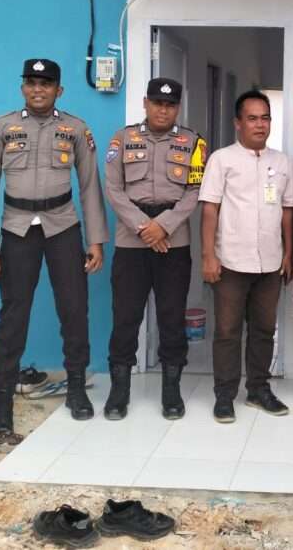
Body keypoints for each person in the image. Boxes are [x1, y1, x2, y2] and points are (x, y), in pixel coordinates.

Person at [0, 59, 109, 438]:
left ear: (58, 90)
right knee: (13, 315)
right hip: (17, 228)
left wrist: (95, 239)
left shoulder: (76, 129)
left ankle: (77, 389)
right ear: (22, 88)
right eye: (31, 83)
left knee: (74, 308)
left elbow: (89, 185)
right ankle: (2, 403)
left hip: (63, 225)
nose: (38, 89)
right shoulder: (0, 128)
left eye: (46, 84)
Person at [103, 77, 206, 421]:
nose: (163, 110)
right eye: (157, 103)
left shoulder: (194, 142)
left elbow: (195, 190)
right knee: (125, 317)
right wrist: (144, 227)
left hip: (173, 241)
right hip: (131, 241)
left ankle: (171, 391)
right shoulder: (122, 139)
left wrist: (164, 225)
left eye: (170, 104)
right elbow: (113, 189)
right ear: (145, 103)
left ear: (177, 107)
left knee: (171, 318)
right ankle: (119, 392)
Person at [199, 89, 293, 423]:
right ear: (238, 123)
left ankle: (258, 390)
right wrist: (208, 256)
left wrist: (289, 253)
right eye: (252, 118)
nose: (260, 124)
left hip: (270, 262)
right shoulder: (222, 159)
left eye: (265, 118)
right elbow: (209, 209)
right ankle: (224, 396)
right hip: (230, 262)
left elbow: (287, 210)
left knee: (264, 329)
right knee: (227, 331)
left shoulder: (281, 162)